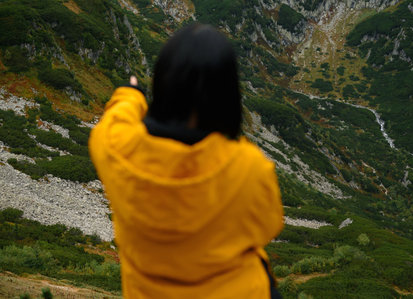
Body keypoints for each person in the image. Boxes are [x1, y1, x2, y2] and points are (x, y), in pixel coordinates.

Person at [89, 23, 284, 299]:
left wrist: (130, 95)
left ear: (163, 81)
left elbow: (115, 119)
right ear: (227, 95)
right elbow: (269, 225)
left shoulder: (117, 148)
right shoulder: (249, 165)